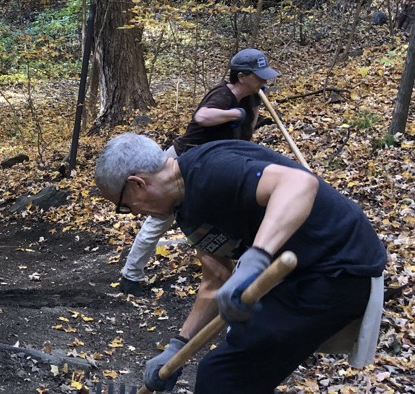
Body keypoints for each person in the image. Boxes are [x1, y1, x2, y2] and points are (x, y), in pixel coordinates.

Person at [95, 134, 385, 393]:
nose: (132, 214)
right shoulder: (184, 209)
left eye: (125, 206)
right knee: (238, 370)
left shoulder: (212, 169)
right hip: (303, 275)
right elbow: (216, 278)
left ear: (137, 184)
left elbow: (298, 183)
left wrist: (255, 258)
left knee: (222, 376)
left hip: (339, 267)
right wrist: (178, 345)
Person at [118, 48, 279, 295]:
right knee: (161, 218)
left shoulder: (251, 97)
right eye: (259, 76)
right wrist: (234, 113)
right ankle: (130, 276)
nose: (264, 80)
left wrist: (252, 108)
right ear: (242, 76)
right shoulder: (223, 94)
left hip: (208, 169)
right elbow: (202, 117)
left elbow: (246, 132)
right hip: (179, 162)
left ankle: (233, 270)